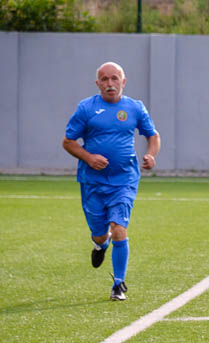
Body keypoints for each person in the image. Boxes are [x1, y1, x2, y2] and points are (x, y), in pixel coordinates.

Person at [63, 62, 161, 301]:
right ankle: (100, 244)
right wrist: (88, 157)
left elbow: (153, 136)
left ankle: (119, 284)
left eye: (115, 79)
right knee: (100, 232)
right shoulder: (86, 108)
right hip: (93, 182)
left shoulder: (135, 108)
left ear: (123, 82)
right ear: (98, 84)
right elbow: (68, 142)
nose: (110, 84)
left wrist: (151, 155)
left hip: (124, 180)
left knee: (119, 227)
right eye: (105, 80)